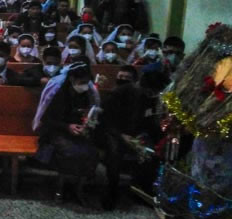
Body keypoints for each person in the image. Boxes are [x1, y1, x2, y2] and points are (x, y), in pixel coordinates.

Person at [99, 65, 170, 210]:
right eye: (151, 91)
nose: (152, 94)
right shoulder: (120, 92)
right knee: (115, 152)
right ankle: (111, 193)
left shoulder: (149, 97)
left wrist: (148, 136)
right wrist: (122, 135)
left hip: (135, 134)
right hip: (112, 132)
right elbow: (105, 119)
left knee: (152, 150)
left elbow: (148, 120)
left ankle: (142, 190)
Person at [33, 60, 101, 204]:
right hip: (57, 131)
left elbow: (89, 114)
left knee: (91, 152)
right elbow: (47, 119)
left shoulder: (87, 94)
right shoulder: (59, 93)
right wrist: (67, 127)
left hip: (78, 131)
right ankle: (60, 187)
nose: (85, 86)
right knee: (70, 152)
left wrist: (86, 125)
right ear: (71, 79)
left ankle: (79, 187)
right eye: (81, 82)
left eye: (87, 82)